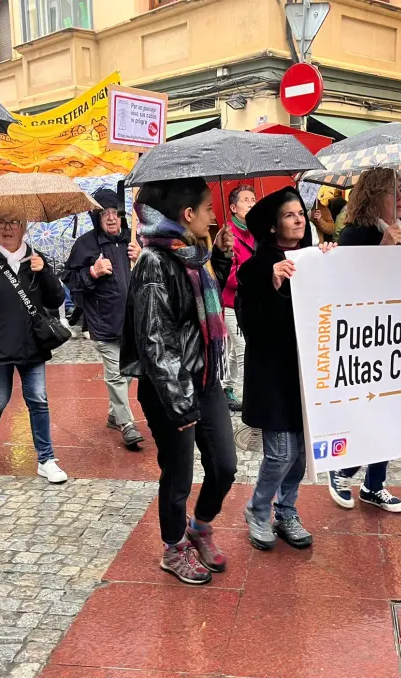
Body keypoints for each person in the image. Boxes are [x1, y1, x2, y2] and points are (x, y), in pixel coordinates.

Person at [122, 178, 237, 586]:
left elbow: (202, 311)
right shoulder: (156, 262)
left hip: (204, 379)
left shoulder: (194, 255)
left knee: (225, 466)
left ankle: (200, 527)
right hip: (171, 389)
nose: (213, 215)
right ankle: (173, 548)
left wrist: (219, 260)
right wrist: (179, 400)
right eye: (208, 208)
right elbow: (156, 339)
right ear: (188, 215)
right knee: (178, 476)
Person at [326, 168, 401, 513]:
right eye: (391, 192)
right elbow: (352, 284)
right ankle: (342, 469)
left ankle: (373, 485)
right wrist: (383, 246)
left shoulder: (399, 232)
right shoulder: (353, 234)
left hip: (394, 334)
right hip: (364, 338)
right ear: (373, 197)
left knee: (393, 412)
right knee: (372, 412)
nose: (399, 199)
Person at [238, 187, 336, 551]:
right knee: (280, 452)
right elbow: (253, 327)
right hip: (274, 376)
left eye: (300, 213)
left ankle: (287, 510)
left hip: (310, 373)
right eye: (289, 215)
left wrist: (331, 261)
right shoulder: (255, 268)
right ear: (273, 227)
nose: (298, 219)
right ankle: (258, 510)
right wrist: (273, 284)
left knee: (301, 452)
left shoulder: (316, 258)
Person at [0, 207, 68, 483]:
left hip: (31, 343)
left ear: (24, 226)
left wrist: (45, 272)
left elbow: (55, 300)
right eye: (0, 221)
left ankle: (46, 458)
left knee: (38, 399)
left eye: (14, 221)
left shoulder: (35, 257)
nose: (7, 227)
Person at [66, 189, 144, 449]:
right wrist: (92, 271)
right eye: (105, 214)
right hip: (103, 322)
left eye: (116, 213)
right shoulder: (85, 245)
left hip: (132, 322)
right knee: (116, 375)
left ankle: (114, 413)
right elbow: (71, 282)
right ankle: (127, 423)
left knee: (129, 372)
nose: (111, 219)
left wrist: (142, 258)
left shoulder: (133, 240)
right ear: (96, 217)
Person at [218, 185, 255, 412]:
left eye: (253, 199)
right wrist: (253, 272)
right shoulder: (227, 235)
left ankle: (226, 386)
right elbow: (228, 276)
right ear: (233, 207)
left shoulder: (255, 232)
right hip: (232, 302)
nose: (251, 203)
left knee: (234, 349)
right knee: (243, 348)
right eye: (246, 200)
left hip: (250, 300)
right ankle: (247, 398)